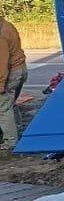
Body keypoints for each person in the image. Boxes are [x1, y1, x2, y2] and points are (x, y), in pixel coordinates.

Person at [0, 17, 26, 154]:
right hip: (21, 69)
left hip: (11, 73)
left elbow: (2, 63)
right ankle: (18, 131)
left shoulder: (1, 35)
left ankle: (10, 140)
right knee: (11, 104)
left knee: (3, 108)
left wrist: (1, 83)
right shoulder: (7, 25)